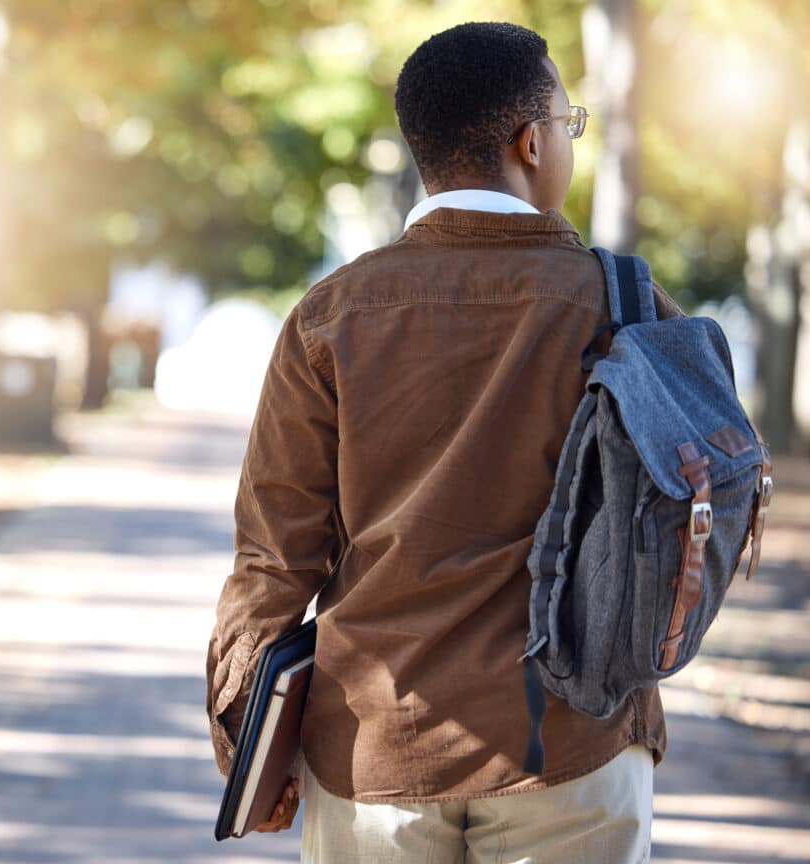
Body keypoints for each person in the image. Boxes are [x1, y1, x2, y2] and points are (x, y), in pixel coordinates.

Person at [207, 21, 681, 862]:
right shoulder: (626, 308)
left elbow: (274, 560)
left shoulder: (331, 315)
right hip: (574, 744)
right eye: (569, 127)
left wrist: (248, 736)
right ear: (532, 142)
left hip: (377, 751)